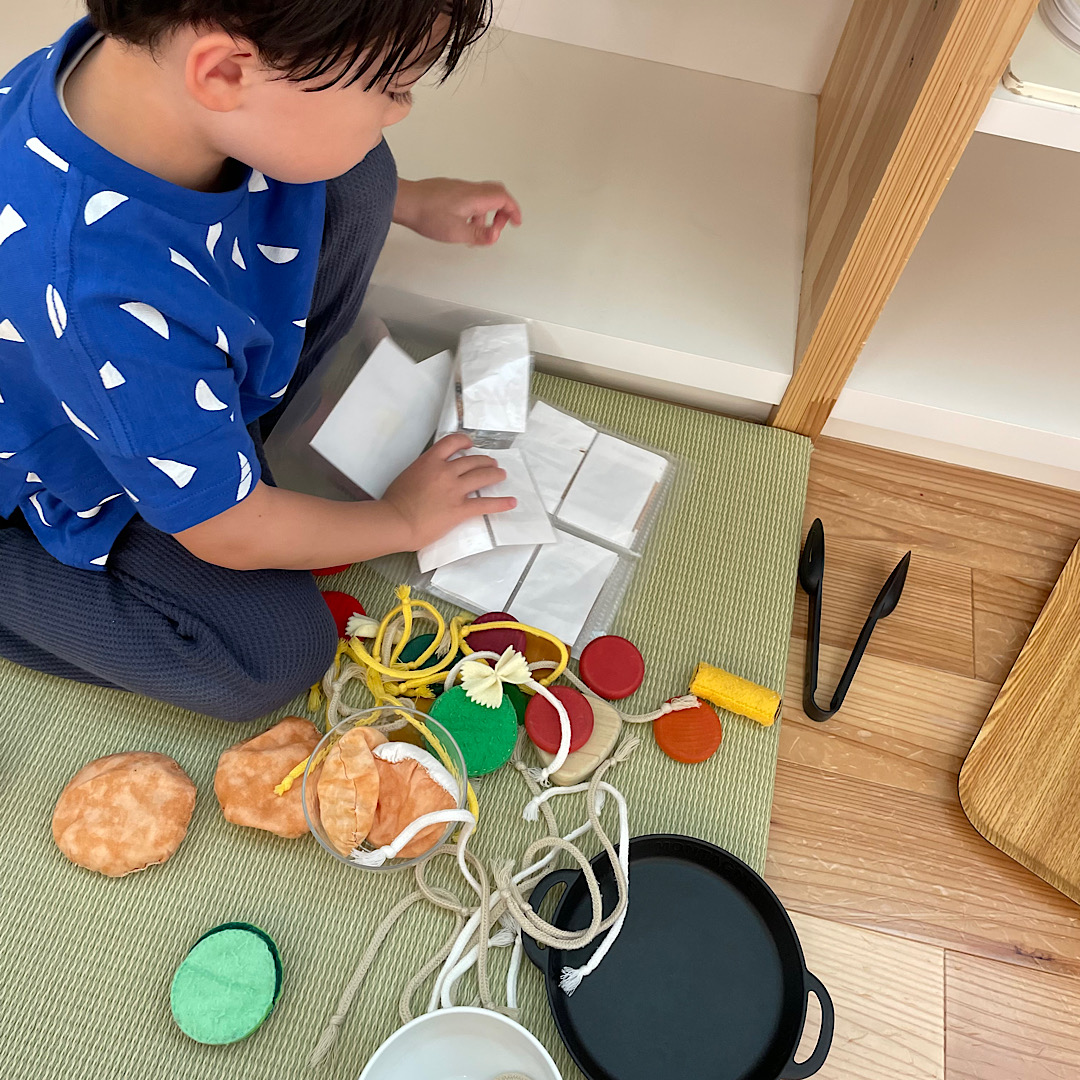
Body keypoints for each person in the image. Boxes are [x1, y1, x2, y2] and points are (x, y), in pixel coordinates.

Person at [0, 1, 522, 720]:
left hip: (138, 370)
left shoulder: (134, 65)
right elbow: (229, 532)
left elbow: (299, 144)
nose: (400, 110)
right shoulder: (101, 298)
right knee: (268, 655)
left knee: (358, 173)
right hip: (72, 447)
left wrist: (411, 200)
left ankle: (218, 441)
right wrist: (400, 521)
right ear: (221, 71)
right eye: (393, 87)